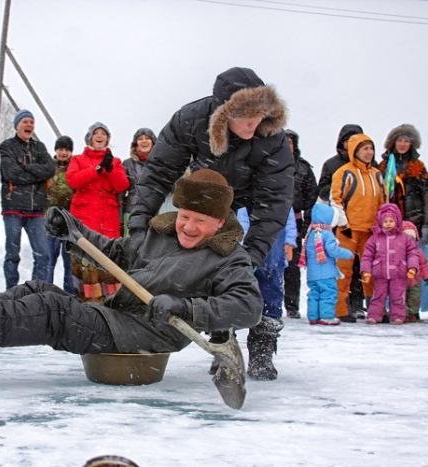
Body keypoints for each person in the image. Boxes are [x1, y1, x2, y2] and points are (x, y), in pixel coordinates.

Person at [0, 169, 263, 373]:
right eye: (185, 216)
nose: (187, 226)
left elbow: (248, 307)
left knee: (54, 312)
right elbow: (114, 253)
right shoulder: (162, 232)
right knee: (37, 290)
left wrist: (187, 308)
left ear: (219, 222)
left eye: (200, 221)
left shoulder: (229, 259)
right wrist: (74, 231)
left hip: (147, 336)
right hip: (118, 317)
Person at [127, 67, 292, 380]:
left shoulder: (271, 137)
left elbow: (275, 202)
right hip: (209, 195)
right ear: (223, 113)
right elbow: (159, 172)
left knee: (268, 263)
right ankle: (222, 336)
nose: (253, 124)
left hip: (255, 198)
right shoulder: (190, 120)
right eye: (245, 117)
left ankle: (263, 342)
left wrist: (253, 254)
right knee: (208, 261)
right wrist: (138, 225)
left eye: (259, 116)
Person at [66, 122, 129, 302]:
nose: (100, 136)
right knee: (86, 267)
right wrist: (96, 169)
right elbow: (73, 180)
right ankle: (88, 306)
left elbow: (122, 185)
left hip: (108, 224)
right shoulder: (78, 159)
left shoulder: (115, 162)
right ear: (90, 138)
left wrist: (109, 170)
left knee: (108, 268)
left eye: (103, 133)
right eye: (96, 133)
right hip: (84, 223)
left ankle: (110, 306)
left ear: (107, 139)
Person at [377, 124, 428, 313]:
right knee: (389, 265)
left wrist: (426, 224)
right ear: (392, 142)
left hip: (414, 224)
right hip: (389, 223)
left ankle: (415, 307)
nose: (402, 144)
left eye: (407, 141)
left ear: (412, 144)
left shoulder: (418, 166)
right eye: (399, 140)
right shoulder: (384, 166)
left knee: (417, 265)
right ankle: (389, 306)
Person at [330, 133, 386, 323]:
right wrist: (343, 223)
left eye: (371, 148)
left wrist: (382, 225)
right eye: (365, 149)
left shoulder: (377, 174)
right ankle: (340, 308)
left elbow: (383, 202)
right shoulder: (343, 172)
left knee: (373, 270)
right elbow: (335, 200)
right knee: (343, 270)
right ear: (355, 151)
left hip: (371, 231)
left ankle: (376, 308)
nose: (369, 152)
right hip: (348, 230)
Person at [0, 109, 55, 289]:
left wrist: (27, 166)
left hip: (36, 209)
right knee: (12, 254)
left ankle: (35, 291)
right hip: (13, 207)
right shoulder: (7, 146)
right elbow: (11, 173)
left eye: (31, 122)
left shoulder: (40, 147)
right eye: (25, 122)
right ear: (17, 125)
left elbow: (50, 170)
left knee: (43, 255)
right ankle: (11, 291)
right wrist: (37, 174)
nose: (29, 125)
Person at [317, 124, 367, 320]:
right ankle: (340, 304)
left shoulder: (369, 166)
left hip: (363, 222)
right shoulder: (332, 164)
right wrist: (339, 187)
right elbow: (321, 189)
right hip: (339, 222)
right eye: (348, 140)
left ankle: (358, 303)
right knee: (341, 265)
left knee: (360, 266)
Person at [360, 203, 420, 325]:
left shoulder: (405, 238)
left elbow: (412, 254)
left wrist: (412, 267)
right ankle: (374, 316)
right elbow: (367, 256)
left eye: (391, 221)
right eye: (385, 221)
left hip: (399, 273)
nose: (388, 223)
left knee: (398, 296)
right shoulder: (375, 238)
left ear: (397, 221)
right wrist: (366, 270)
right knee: (378, 296)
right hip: (380, 273)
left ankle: (397, 316)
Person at [299, 203, 354, 325]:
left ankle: (313, 317)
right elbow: (332, 250)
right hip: (326, 271)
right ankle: (326, 316)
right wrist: (348, 254)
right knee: (328, 293)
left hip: (312, 273)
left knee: (314, 294)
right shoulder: (327, 233)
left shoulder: (311, 233)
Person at [283, 129, 318, 319]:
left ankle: (292, 305)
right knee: (267, 267)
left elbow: (311, 199)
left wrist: (307, 226)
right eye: (284, 141)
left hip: (295, 222)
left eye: (290, 142)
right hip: (269, 221)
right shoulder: (267, 165)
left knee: (292, 267)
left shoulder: (304, 168)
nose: (287, 145)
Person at [46, 135, 75, 294]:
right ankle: (45, 293)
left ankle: (69, 295)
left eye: (67, 150)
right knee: (48, 261)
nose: (63, 153)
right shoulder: (48, 167)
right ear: (56, 150)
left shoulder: (74, 168)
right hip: (49, 222)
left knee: (69, 263)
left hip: (69, 223)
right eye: (61, 149)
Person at [122, 128, 157, 237]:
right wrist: (119, 218)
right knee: (131, 246)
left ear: (153, 142)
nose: (144, 141)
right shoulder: (127, 163)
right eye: (140, 138)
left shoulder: (160, 163)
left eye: (147, 138)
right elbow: (121, 192)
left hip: (155, 210)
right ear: (135, 143)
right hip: (131, 210)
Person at [401, 221, 428, 322]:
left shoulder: (418, 252)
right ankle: (403, 314)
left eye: (412, 238)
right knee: (400, 298)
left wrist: (427, 278)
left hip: (415, 281)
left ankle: (412, 313)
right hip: (400, 281)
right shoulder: (397, 252)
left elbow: (424, 265)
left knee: (414, 298)